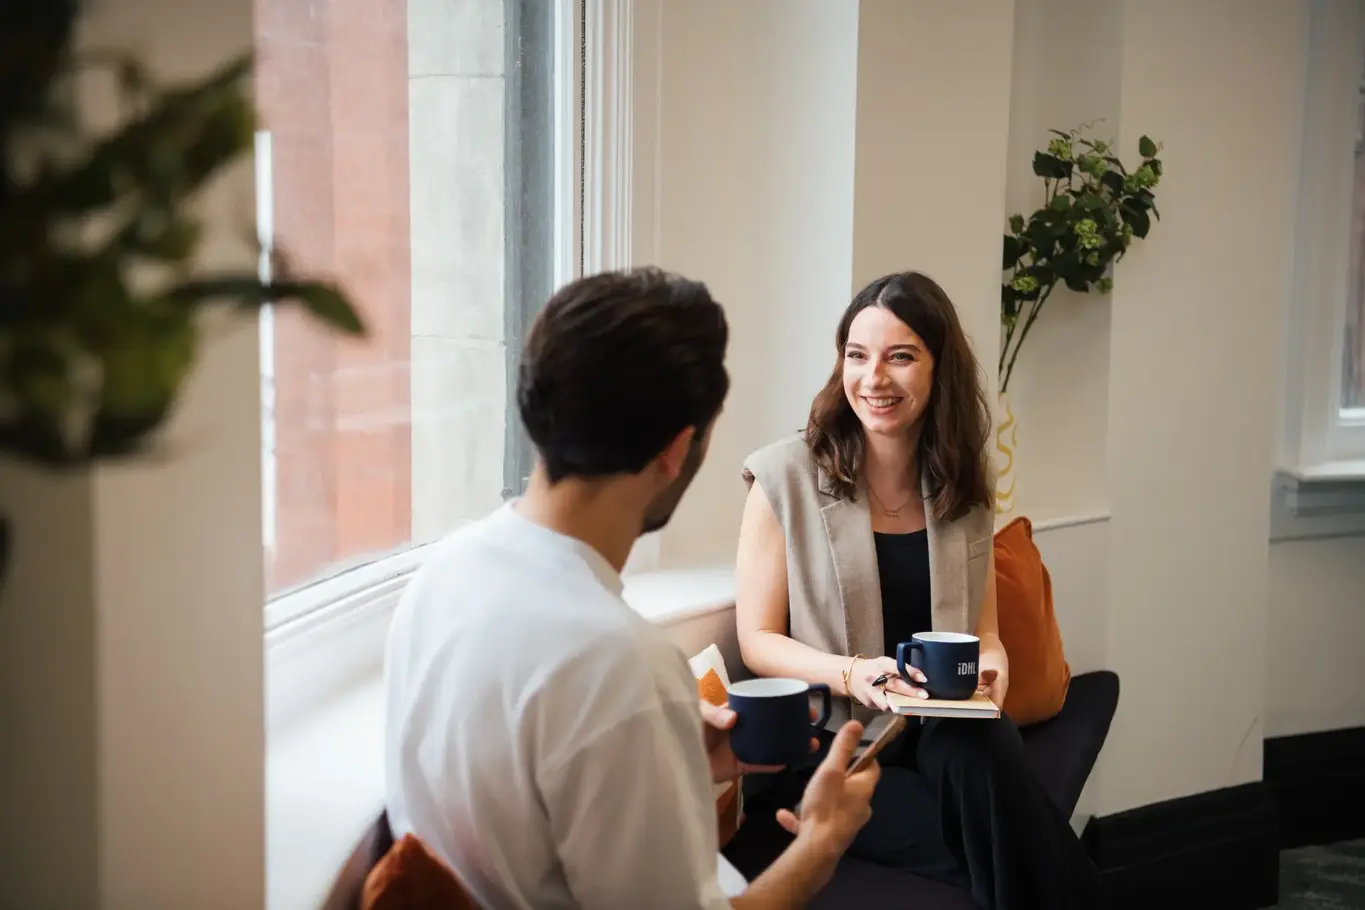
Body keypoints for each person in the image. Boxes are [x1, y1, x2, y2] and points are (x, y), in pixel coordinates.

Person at [383, 267, 878, 910]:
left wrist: (673, 762)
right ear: (677, 450)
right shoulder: (620, 666)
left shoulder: (440, 577)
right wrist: (820, 846)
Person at [733, 271, 1105, 910]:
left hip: (946, 734)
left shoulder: (960, 486)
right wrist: (855, 676)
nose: (873, 378)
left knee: (978, 742)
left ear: (940, 371)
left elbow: (983, 635)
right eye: (857, 355)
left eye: (900, 357)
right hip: (838, 741)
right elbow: (757, 639)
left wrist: (992, 672)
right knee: (997, 847)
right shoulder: (782, 476)